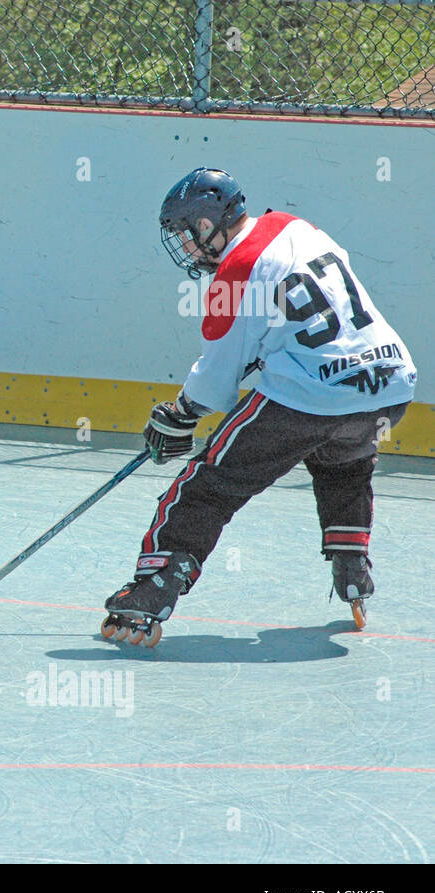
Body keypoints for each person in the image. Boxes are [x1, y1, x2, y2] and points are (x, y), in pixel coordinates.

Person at [102, 167, 417, 645]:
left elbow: (214, 384)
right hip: (391, 385)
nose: (186, 249)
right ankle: (352, 563)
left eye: (188, 235)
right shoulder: (294, 226)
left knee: (211, 483)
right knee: (344, 461)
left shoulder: (234, 274)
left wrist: (179, 415)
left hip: (310, 396)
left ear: (208, 225)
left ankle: (155, 586)